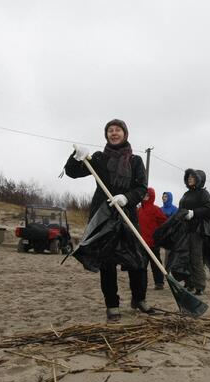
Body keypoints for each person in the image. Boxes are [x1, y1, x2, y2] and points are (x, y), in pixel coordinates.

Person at [64, 119, 151, 322]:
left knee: (137, 260)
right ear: (106, 135)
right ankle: (112, 305)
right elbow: (72, 172)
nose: (114, 133)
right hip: (103, 215)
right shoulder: (99, 158)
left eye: (117, 130)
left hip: (127, 214)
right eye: (110, 130)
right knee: (107, 263)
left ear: (125, 134)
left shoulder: (136, 161)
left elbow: (141, 188)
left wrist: (126, 198)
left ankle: (139, 299)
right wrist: (77, 157)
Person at [178, 168, 210, 294]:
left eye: (193, 177)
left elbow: (209, 209)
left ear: (199, 179)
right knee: (184, 257)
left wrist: (194, 213)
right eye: (189, 177)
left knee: (196, 257)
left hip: (197, 230)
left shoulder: (203, 193)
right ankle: (189, 283)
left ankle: (199, 286)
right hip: (184, 229)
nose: (190, 179)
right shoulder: (186, 194)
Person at [137, 187, 167, 290]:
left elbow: (163, 222)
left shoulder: (156, 209)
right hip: (142, 243)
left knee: (156, 264)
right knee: (142, 265)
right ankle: (142, 283)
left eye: (147, 195)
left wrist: (158, 235)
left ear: (151, 196)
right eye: (144, 195)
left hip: (153, 243)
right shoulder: (139, 210)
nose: (145, 197)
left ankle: (159, 282)